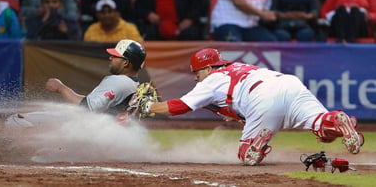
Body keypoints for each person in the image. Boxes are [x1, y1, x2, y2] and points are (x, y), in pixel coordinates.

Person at [138, 48, 365, 166]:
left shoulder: (212, 79)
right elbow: (232, 102)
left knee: (247, 157)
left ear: (208, 68)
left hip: (262, 99)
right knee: (320, 124)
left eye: (197, 72)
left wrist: (148, 107)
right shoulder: (239, 66)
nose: (196, 78)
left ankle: (260, 140)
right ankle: (337, 121)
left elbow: (181, 106)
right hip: (290, 84)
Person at [0, 39, 147, 158]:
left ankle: (15, 149)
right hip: (101, 137)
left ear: (126, 63)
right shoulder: (133, 85)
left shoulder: (119, 81)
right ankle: (25, 148)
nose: (110, 57)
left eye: (115, 56)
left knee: (14, 121)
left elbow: (88, 108)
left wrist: (60, 87)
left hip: (88, 134)